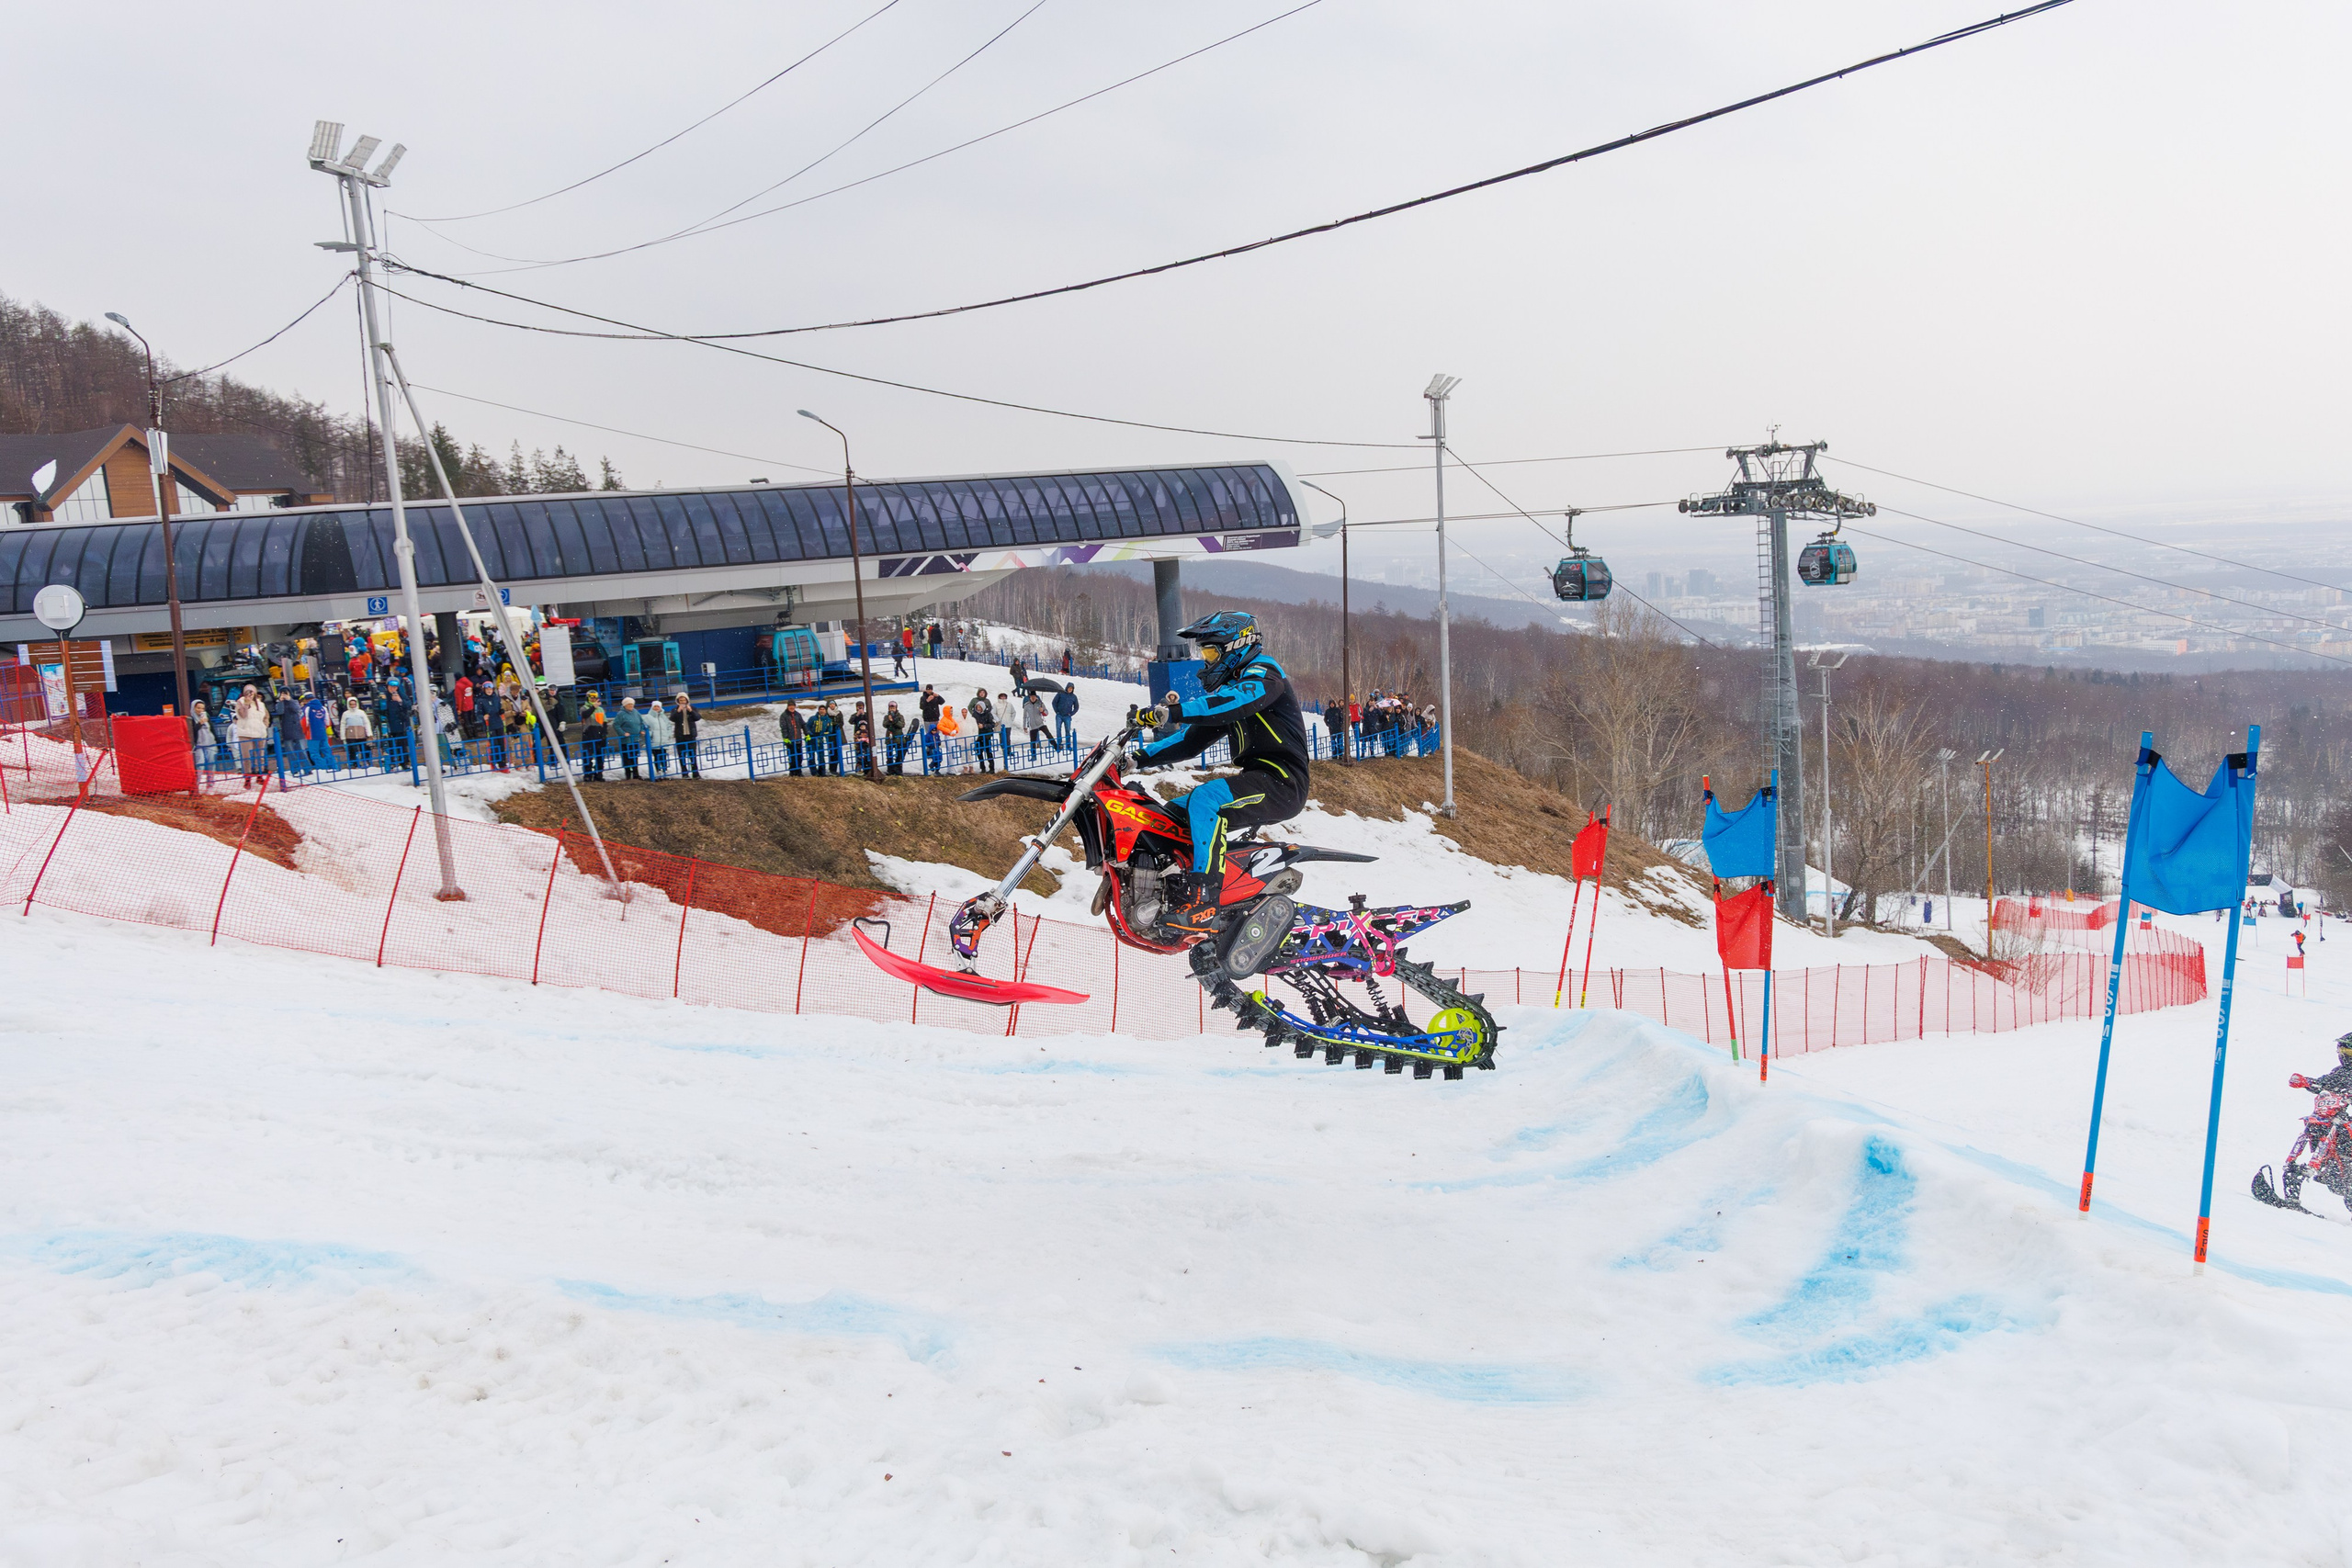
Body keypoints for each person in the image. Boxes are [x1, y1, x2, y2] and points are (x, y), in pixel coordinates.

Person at [1131, 610, 1309, 933]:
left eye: (1211, 653)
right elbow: (1189, 742)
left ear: (1237, 646)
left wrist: (1173, 711)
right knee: (1173, 812)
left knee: (1205, 799)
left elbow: (1235, 700)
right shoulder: (1233, 693)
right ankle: (1170, 888)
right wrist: (1135, 759)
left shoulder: (1264, 673)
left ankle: (1205, 898)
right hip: (1258, 778)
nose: (1206, 662)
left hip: (1283, 782)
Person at [233, 684, 272, 786]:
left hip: (259, 732)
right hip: (245, 733)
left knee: (260, 756)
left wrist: (264, 725)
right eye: (248, 692)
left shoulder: (261, 704)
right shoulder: (240, 702)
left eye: (252, 692)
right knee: (247, 757)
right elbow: (242, 715)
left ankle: (260, 775)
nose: (250, 694)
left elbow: (266, 716)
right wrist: (246, 703)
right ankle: (248, 778)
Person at [614, 695, 648, 780]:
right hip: (626, 740)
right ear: (625, 705)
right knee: (627, 757)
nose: (631, 706)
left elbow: (641, 722)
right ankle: (628, 775)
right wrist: (623, 733)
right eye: (629, 704)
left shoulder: (635, 712)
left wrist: (641, 730)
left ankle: (636, 774)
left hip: (635, 739)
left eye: (632, 704)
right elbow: (616, 725)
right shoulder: (621, 714)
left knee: (634, 757)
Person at [339, 695, 374, 769]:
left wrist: (369, 734)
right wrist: (343, 737)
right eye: (351, 704)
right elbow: (343, 725)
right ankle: (354, 763)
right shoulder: (345, 714)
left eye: (354, 704)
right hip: (350, 735)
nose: (353, 706)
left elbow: (366, 723)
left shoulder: (361, 712)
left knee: (364, 749)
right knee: (352, 750)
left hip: (362, 734)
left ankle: (366, 761)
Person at [673, 693, 701, 779]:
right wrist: (678, 711)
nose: (682, 702)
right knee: (682, 756)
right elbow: (672, 718)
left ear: (687, 700)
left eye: (684, 700)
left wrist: (691, 711)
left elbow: (698, 717)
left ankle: (695, 773)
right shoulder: (675, 709)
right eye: (680, 700)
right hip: (680, 736)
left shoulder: (692, 708)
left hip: (690, 735)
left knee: (692, 755)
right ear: (678, 701)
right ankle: (684, 773)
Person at [967, 688, 997, 772]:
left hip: (986, 735)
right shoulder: (975, 714)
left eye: (980, 707)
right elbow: (972, 724)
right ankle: (982, 768)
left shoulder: (988, 714)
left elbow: (992, 724)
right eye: (977, 707)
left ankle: (992, 768)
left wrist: (984, 726)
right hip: (978, 735)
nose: (979, 709)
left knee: (988, 752)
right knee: (979, 752)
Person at [918, 684, 945, 773]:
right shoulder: (923, 698)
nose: (930, 691)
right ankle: (929, 749)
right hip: (927, 719)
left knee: (936, 734)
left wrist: (938, 696)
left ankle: (936, 746)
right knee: (928, 734)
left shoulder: (935, 696)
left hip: (935, 718)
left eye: (931, 689)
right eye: (928, 689)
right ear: (926, 690)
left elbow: (942, 702)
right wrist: (927, 701)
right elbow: (921, 707)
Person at [645, 697, 674, 779]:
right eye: (655, 706)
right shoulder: (647, 717)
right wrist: (650, 734)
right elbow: (645, 727)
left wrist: (668, 735)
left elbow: (669, 726)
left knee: (663, 756)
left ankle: (665, 770)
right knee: (657, 756)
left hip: (664, 740)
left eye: (658, 706)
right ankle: (658, 770)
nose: (656, 708)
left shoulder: (663, 717)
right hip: (654, 741)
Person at [582, 702, 610, 781]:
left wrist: (604, 733)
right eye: (592, 698)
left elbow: (604, 722)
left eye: (595, 698)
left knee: (600, 755)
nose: (594, 700)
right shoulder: (584, 708)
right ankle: (588, 774)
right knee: (588, 755)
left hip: (599, 734)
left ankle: (599, 774)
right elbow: (585, 715)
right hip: (588, 735)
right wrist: (593, 707)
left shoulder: (600, 709)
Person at [1022, 689, 1050, 764]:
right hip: (1032, 725)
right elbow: (1025, 716)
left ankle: (1055, 746)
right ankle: (1033, 755)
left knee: (1048, 734)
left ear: (1036, 697)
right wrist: (1025, 726)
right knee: (1032, 741)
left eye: (1034, 696)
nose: (1033, 698)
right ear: (1030, 697)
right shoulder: (1027, 705)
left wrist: (1042, 711)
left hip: (1040, 723)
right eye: (1032, 696)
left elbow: (1046, 713)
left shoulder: (1040, 703)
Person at [883, 700, 909, 774]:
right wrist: (889, 720)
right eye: (890, 708)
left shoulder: (900, 716)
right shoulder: (886, 717)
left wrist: (894, 721)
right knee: (889, 755)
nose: (892, 709)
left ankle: (898, 769)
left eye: (893, 708)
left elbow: (902, 725)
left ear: (896, 708)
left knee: (899, 754)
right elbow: (884, 725)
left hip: (898, 738)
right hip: (890, 738)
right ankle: (890, 769)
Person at [1052, 685, 1079, 755]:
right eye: (1069, 688)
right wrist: (1057, 711)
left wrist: (1071, 714)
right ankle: (1059, 744)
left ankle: (1068, 745)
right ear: (1067, 688)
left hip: (1067, 716)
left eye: (1071, 688)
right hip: (1059, 715)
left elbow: (1076, 707)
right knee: (1058, 729)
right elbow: (1054, 702)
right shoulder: (1060, 693)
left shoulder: (1074, 697)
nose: (1070, 689)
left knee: (1067, 730)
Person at [782, 702, 807, 776]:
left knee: (799, 756)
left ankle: (799, 771)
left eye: (793, 706)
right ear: (787, 706)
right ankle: (792, 772)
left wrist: (807, 734)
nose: (791, 707)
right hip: (790, 740)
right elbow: (784, 728)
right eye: (790, 706)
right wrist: (786, 737)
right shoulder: (784, 716)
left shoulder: (797, 715)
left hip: (798, 739)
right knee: (792, 757)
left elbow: (803, 724)